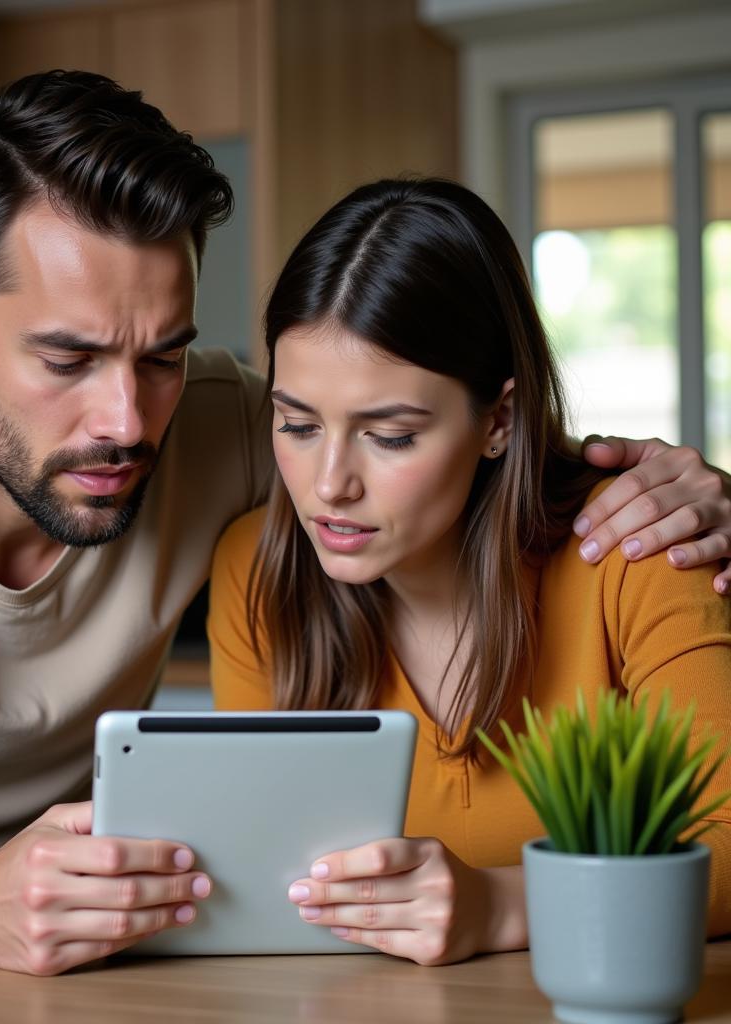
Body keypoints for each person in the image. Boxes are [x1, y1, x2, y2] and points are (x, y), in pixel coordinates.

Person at [0, 72, 726, 978]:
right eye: (67, 359)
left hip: (94, 947)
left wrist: (690, 483)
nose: (126, 421)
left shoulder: (235, 425)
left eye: (161, 357)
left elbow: (446, 433)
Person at [208, 177, 731, 967]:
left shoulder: (636, 554)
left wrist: (503, 905)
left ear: (499, 421)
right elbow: (255, 870)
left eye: (390, 436)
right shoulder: (255, 571)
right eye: (298, 424)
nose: (328, 485)